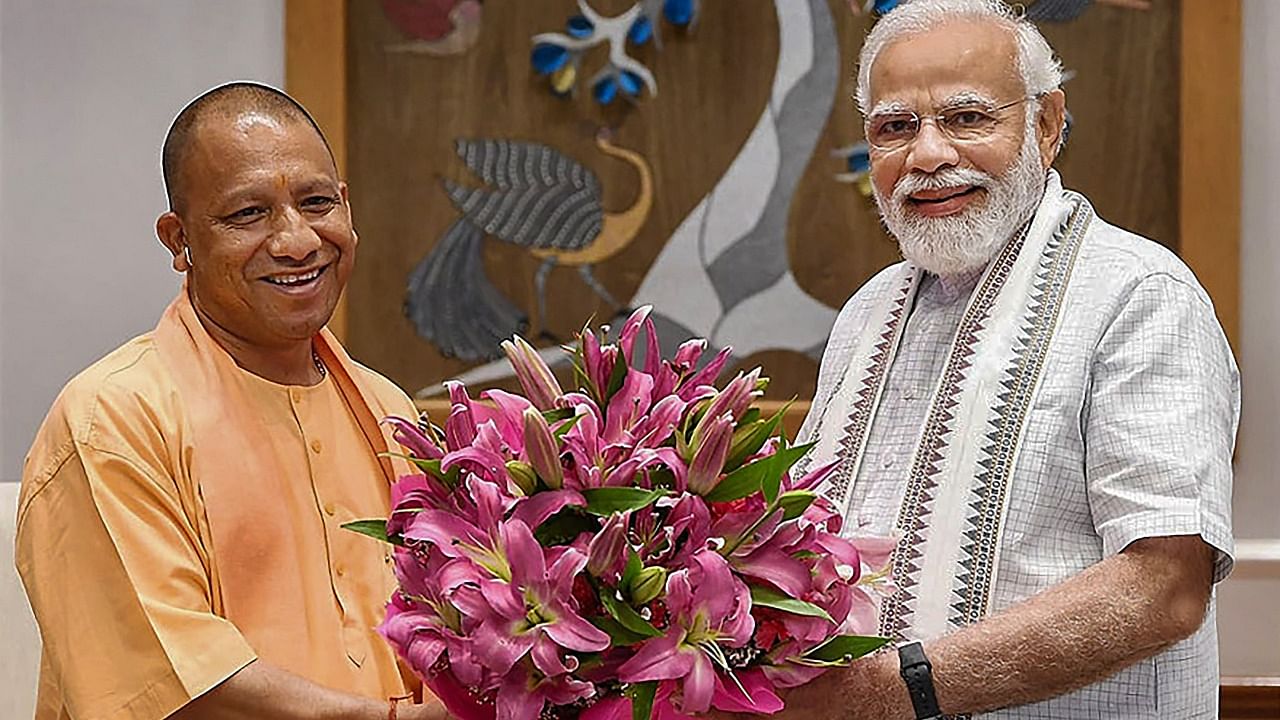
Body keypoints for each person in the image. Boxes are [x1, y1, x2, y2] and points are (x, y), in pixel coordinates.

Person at [775, 1, 1237, 718]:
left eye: (966, 118)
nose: (927, 155)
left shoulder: (1140, 294)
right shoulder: (868, 310)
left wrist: (890, 693)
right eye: (895, 127)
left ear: (1047, 125)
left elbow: (1165, 589)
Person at [15, 83, 446, 720]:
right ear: (178, 239)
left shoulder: (389, 410)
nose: (298, 241)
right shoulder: (114, 418)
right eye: (248, 214)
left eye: (316, 202)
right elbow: (172, 684)